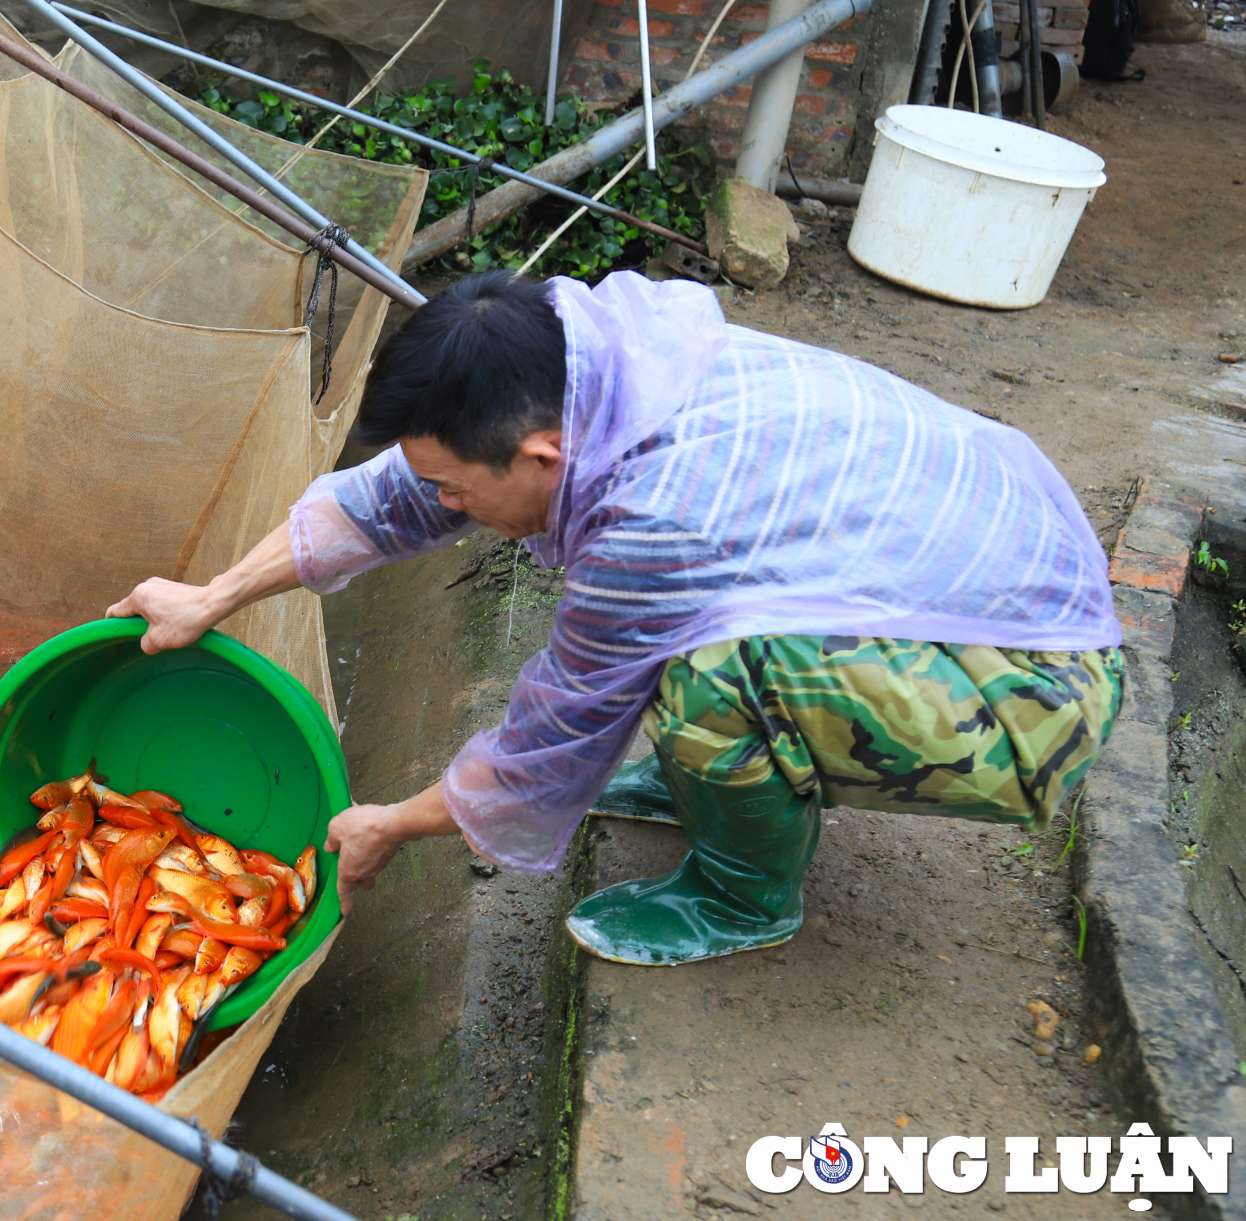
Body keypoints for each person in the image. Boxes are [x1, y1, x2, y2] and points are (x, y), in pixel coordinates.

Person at [107, 269, 1121, 966]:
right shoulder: (597, 363)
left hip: (1025, 688)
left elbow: (552, 732)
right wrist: (213, 597)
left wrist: (391, 822)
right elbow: (400, 492)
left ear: (541, 457)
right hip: (957, 577)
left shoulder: (655, 517)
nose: (442, 504)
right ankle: (725, 785)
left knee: (706, 674)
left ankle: (741, 898)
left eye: (457, 490)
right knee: (690, 655)